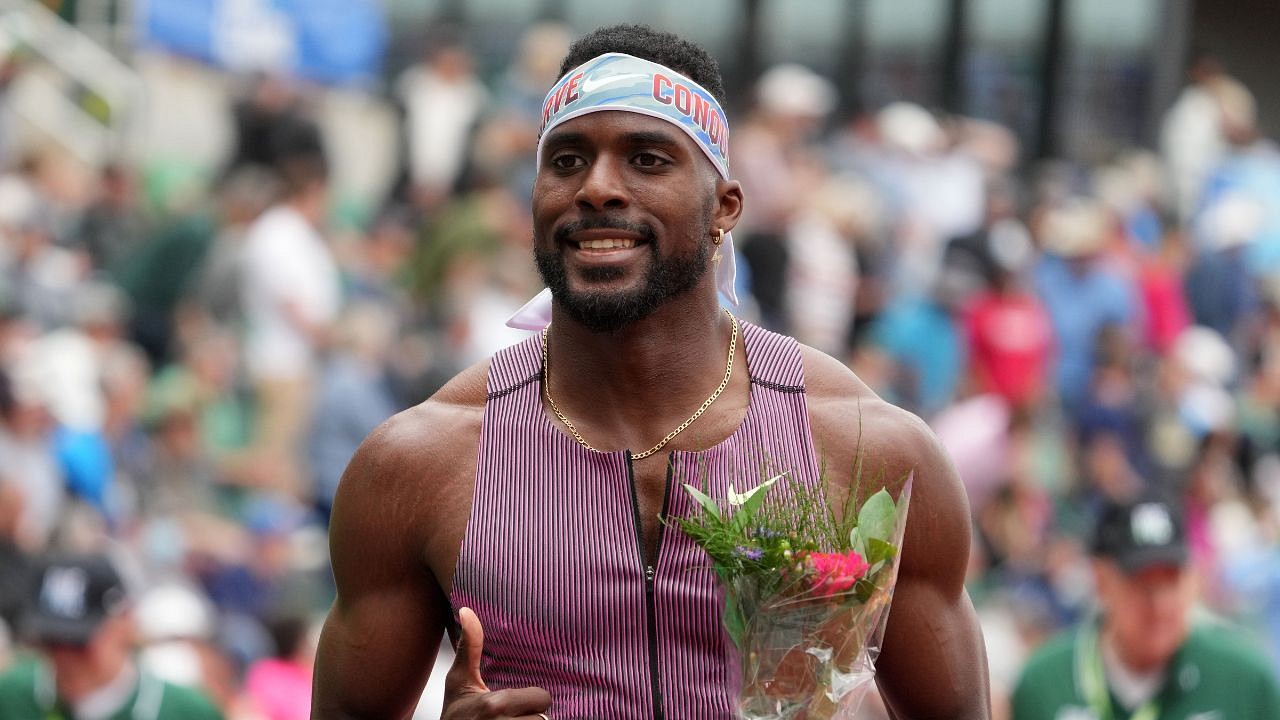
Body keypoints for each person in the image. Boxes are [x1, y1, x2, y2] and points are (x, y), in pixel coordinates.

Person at [313, 24, 990, 719]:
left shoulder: (867, 448)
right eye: (568, 160)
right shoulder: (420, 462)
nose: (598, 188)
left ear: (724, 205)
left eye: (647, 159)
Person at [1011, 493, 1280, 719]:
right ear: (1101, 580)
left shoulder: (1245, 680)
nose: (1160, 605)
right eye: (1142, 584)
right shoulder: (1044, 682)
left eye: (1172, 581)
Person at [0, 552, 223, 718]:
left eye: (79, 642)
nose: (64, 657)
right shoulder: (11, 696)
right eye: (51, 641)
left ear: (125, 623)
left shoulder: (185, 711)